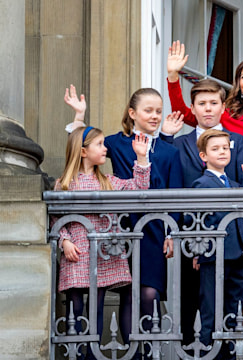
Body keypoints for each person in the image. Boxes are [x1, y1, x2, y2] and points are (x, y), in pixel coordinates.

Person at [165, 42, 243, 353]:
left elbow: (242, 183)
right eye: (201, 104)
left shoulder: (236, 140)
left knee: (227, 303)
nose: (207, 108)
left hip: (232, 237)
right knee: (192, 302)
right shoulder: (180, 144)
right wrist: (172, 77)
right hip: (191, 235)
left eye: (213, 103)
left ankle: (224, 351)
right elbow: (172, 186)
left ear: (222, 107)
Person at [64, 85, 183, 348]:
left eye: (159, 112)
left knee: (149, 292)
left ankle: (147, 351)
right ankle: (132, 353)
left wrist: (172, 233)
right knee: (128, 293)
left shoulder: (169, 150)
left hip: (153, 230)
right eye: (148, 110)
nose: (154, 116)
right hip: (118, 228)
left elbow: (174, 193)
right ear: (132, 113)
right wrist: (79, 116)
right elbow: (81, 146)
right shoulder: (116, 142)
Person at [54, 126, 150, 360]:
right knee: (76, 307)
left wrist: (141, 157)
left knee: (96, 306)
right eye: (99, 144)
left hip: (104, 252)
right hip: (76, 251)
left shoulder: (109, 181)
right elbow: (55, 217)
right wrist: (64, 240)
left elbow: (139, 189)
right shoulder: (64, 183)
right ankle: (75, 353)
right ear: (83, 151)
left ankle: (93, 355)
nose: (105, 148)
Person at [193, 129, 243, 357]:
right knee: (211, 311)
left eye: (225, 148)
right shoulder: (201, 184)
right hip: (213, 255)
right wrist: (198, 250)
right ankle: (208, 353)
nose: (222, 152)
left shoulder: (234, 184)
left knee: (233, 311)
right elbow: (197, 219)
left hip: (236, 255)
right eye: (215, 149)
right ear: (203, 156)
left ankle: (230, 353)